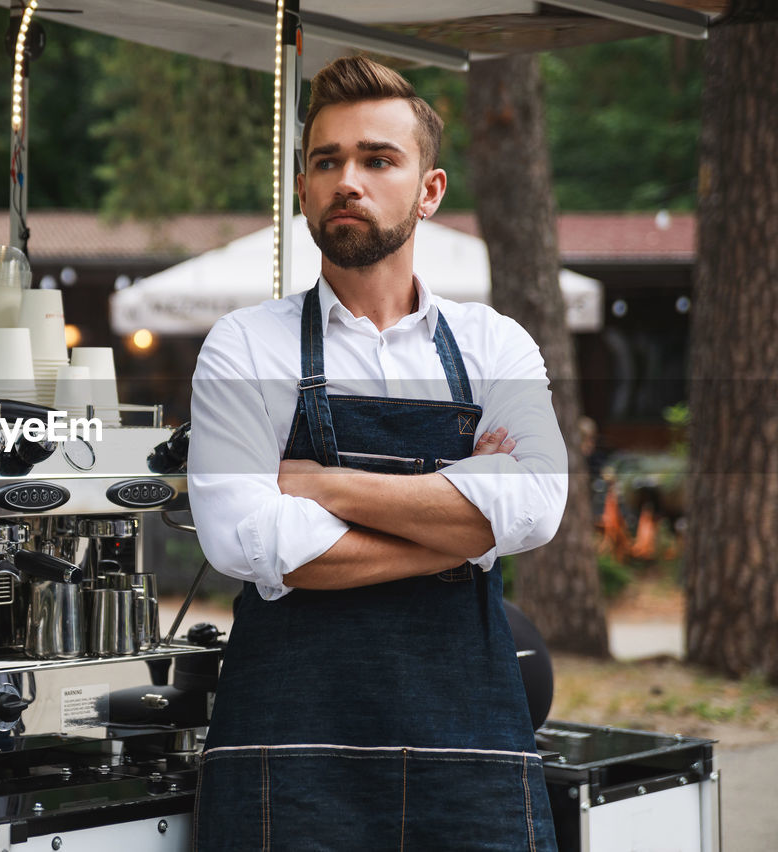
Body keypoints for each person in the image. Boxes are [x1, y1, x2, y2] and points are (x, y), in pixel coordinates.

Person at [187, 56, 567, 850]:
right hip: (286, 755)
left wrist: (323, 485)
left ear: (429, 191)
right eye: (326, 161)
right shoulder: (244, 344)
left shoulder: (495, 341)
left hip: (471, 751)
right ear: (301, 189)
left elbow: (534, 506)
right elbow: (245, 540)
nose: (346, 180)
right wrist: (463, 530)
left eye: (377, 159)